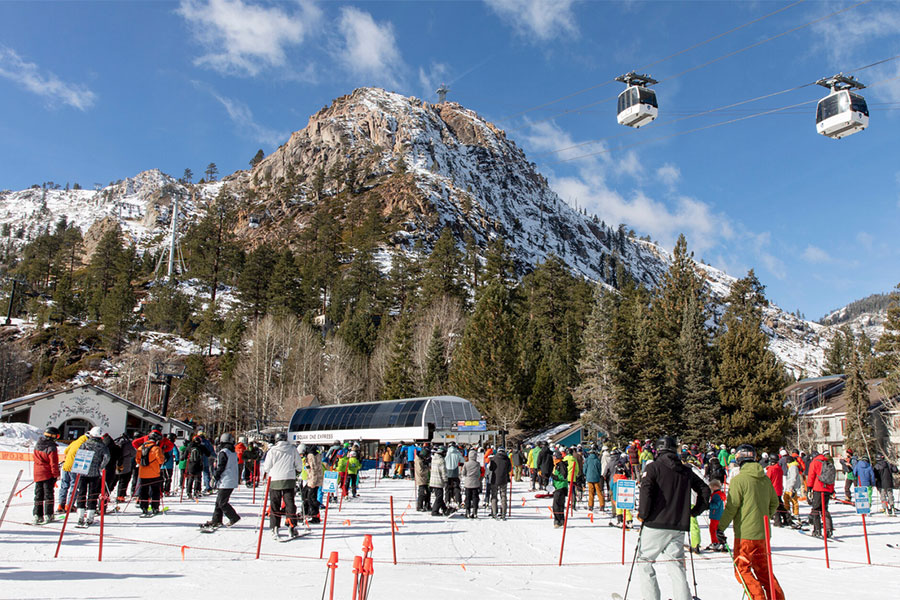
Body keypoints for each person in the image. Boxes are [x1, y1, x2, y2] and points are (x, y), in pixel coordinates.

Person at [634, 435, 710, 600]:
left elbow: (645, 490)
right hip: (678, 524)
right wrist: (696, 511)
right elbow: (704, 488)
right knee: (675, 564)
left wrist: (643, 514)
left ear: (658, 450)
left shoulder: (653, 467)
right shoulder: (685, 470)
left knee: (645, 561)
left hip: (655, 523)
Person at [719, 444, 785, 600]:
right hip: (763, 534)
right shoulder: (765, 479)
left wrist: (720, 528)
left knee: (742, 570)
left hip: (745, 535)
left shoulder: (739, 480)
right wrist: (764, 515)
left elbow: (732, 507)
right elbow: (775, 503)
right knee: (764, 571)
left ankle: (758, 597)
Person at [262, 432, 303, 540]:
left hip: (275, 479)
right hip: (289, 479)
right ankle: (291, 526)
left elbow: (266, 466)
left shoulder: (272, 450)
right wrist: (296, 471)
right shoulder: (292, 449)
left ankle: (274, 527)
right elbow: (299, 465)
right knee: (289, 503)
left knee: (275, 503)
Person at [200, 433, 241, 531]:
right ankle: (216, 520)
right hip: (230, 479)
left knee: (222, 502)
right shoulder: (232, 452)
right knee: (219, 502)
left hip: (226, 480)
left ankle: (233, 517)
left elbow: (221, 466)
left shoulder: (224, 452)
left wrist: (215, 477)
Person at [75, 427, 111, 527]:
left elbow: (78, 455)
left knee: (81, 494)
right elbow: (107, 457)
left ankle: (80, 516)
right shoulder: (102, 446)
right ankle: (90, 517)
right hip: (95, 473)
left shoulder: (85, 444)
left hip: (82, 472)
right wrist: (101, 466)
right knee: (92, 495)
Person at [33, 426, 61, 524]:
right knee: (48, 495)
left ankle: (37, 515)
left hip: (37, 472)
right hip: (47, 474)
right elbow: (53, 463)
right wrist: (56, 474)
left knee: (38, 495)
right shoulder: (51, 447)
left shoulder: (38, 444)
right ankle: (49, 514)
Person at [806, 450, 836, 538]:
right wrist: (832, 489)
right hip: (828, 488)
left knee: (815, 509)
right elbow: (832, 477)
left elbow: (811, 476)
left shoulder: (815, 462)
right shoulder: (827, 462)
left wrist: (809, 487)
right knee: (825, 509)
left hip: (818, 488)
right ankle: (828, 529)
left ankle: (817, 530)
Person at [57, 431, 88, 513]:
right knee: (74, 487)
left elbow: (66, 451)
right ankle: (69, 505)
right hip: (75, 467)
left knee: (64, 486)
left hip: (66, 466)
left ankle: (61, 505)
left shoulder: (75, 442)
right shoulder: (85, 444)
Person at [136, 431, 165, 517]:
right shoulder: (156, 448)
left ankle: (144, 507)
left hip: (143, 473)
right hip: (154, 473)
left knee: (143, 491)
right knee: (155, 490)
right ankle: (155, 508)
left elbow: (137, 460)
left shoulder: (140, 448)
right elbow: (161, 460)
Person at [184, 434, 211, 500]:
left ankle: (188, 492)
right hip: (199, 464)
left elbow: (184, 456)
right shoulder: (201, 446)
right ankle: (196, 491)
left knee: (191, 478)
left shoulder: (190, 446)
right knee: (198, 478)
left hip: (191, 464)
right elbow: (208, 454)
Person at [765, 455, 789, 527]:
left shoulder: (771, 469)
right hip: (778, 489)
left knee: (775, 506)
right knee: (780, 505)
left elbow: (768, 480)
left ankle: (778, 521)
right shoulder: (779, 468)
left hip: (773, 489)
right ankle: (787, 519)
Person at [114, 432, 138, 503]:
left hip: (116, 464)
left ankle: (107, 494)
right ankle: (120, 496)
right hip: (126, 464)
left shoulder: (116, 442)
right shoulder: (128, 444)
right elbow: (134, 453)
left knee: (114, 480)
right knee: (124, 481)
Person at [489, 447, 512, 519]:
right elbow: (509, 469)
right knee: (503, 496)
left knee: (494, 495)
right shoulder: (507, 459)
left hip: (494, 479)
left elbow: (491, 468)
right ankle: (503, 513)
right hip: (504, 479)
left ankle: (494, 512)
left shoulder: (493, 458)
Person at [706, 479, 727, 552]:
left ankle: (715, 542)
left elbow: (716, 505)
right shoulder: (720, 494)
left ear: (715, 486)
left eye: (711, 487)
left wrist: (708, 505)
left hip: (715, 515)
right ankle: (720, 542)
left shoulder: (716, 495)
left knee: (713, 529)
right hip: (719, 514)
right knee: (717, 529)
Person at [550, 451, 569, 528]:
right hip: (557, 486)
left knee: (556, 505)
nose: (553, 458)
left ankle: (558, 520)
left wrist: (554, 477)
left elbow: (564, 476)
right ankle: (561, 520)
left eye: (554, 457)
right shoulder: (557, 465)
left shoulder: (561, 465)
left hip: (560, 487)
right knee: (559, 505)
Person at [783, 452, 803, 527]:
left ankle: (796, 514)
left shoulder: (793, 467)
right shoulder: (791, 466)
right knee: (786, 499)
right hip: (789, 487)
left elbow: (793, 478)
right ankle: (788, 512)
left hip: (792, 487)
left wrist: (791, 487)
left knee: (794, 501)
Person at [429, 446, 450, 516]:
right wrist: (446, 480)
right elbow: (443, 472)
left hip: (433, 480)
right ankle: (434, 511)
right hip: (438, 480)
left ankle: (445, 509)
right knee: (439, 496)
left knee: (439, 496)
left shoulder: (434, 458)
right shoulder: (441, 460)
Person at [462, 450, 482, 518]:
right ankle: (475, 511)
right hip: (475, 482)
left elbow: (463, 473)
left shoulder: (466, 464)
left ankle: (467, 511)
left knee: (468, 497)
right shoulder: (477, 464)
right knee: (475, 497)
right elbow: (479, 473)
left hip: (468, 483)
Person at [584, 447, 604, 512]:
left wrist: (585, 474)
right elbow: (599, 469)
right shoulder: (597, 460)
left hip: (589, 478)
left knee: (591, 492)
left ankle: (590, 505)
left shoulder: (587, 460)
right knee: (599, 492)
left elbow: (585, 469)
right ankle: (602, 505)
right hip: (596, 478)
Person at [415, 446, 432, 512]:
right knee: (422, 493)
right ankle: (420, 506)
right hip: (421, 479)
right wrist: (427, 468)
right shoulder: (419, 460)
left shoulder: (421, 459)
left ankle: (427, 505)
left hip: (425, 479)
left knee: (428, 492)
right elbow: (420, 471)